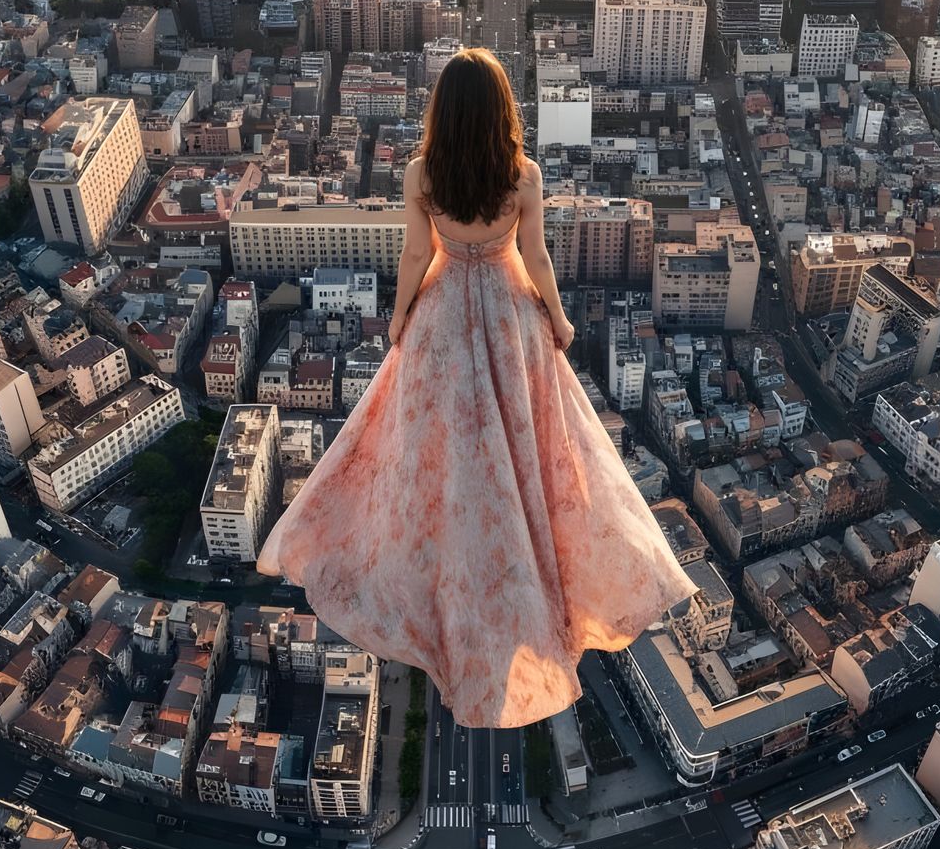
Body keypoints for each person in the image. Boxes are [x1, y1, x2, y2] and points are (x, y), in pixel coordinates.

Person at [258, 48, 694, 728]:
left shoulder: (422, 176)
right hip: (510, 315)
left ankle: (444, 568)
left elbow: (415, 255)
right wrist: (555, 316)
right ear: (501, 112)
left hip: (443, 320)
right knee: (534, 448)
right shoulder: (522, 176)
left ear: (441, 112)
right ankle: (520, 573)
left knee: (437, 454)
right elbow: (538, 256)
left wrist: (401, 318)